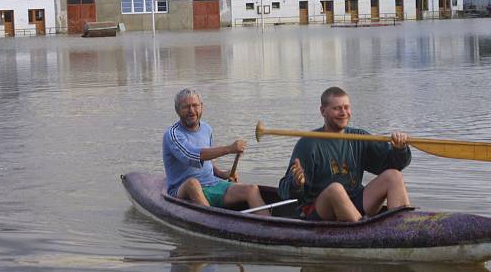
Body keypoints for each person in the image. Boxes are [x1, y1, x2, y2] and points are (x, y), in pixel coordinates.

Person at [278, 86, 411, 222]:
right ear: (323, 111)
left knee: (394, 176)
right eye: (337, 108)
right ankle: (363, 231)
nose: (343, 113)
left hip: (356, 201)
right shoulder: (308, 144)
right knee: (336, 189)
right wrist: (296, 184)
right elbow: (284, 191)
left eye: (346, 107)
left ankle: (402, 225)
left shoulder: (359, 137)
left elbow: (392, 164)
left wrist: (400, 150)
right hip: (319, 210)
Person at [163, 88, 268, 213]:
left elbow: (207, 161)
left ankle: (270, 227)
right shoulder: (173, 134)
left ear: (201, 107)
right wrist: (229, 149)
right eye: (186, 107)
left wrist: (222, 174)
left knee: (252, 189)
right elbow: (194, 156)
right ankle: (214, 221)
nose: (191, 111)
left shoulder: (207, 129)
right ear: (178, 110)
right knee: (193, 183)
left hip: (212, 185)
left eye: (195, 105)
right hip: (182, 190)